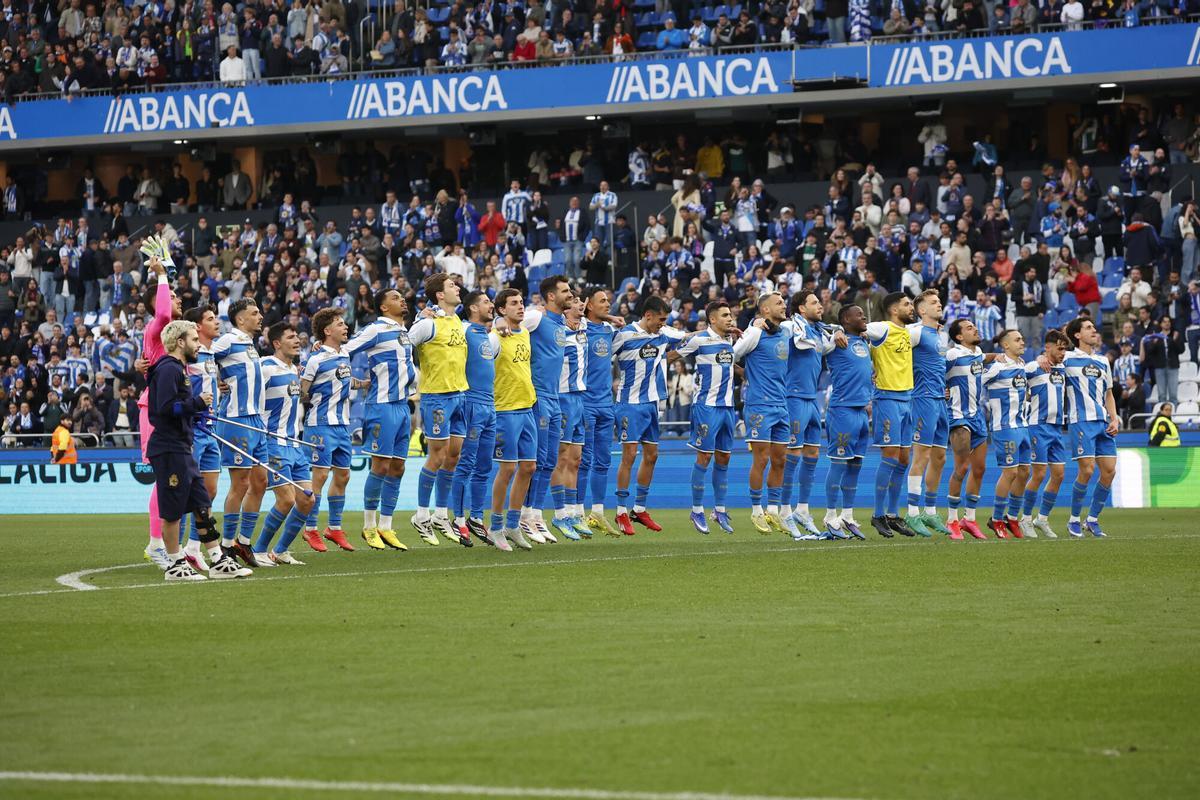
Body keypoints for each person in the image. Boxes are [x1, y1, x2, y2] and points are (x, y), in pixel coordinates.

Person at [145, 319, 249, 581]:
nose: (197, 344)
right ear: (180, 342)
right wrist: (197, 403)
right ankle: (175, 564)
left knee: (201, 504)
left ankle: (216, 559)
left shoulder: (180, 369)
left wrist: (194, 411)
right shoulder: (169, 369)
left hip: (182, 446)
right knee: (172, 510)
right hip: (168, 447)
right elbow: (166, 407)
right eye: (193, 339)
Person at [346, 289, 417, 551]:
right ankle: (368, 526)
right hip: (382, 406)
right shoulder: (375, 329)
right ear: (384, 307)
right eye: (396, 297)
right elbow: (346, 348)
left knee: (398, 467)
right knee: (380, 466)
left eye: (402, 296)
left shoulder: (404, 331)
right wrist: (325, 347)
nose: (402, 300)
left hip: (401, 406)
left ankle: (386, 526)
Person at [611, 296, 688, 535]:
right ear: (648, 315)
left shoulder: (663, 334)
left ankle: (640, 508)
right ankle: (621, 512)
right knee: (629, 456)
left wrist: (715, 331)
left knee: (652, 455)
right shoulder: (624, 335)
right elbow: (600, 357)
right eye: (660, 320)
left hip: (652, 404)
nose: (662, 324)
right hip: (628, 405)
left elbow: (688, 337)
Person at [408, 273, 470, 547]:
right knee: (436, 455)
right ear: (439, 295)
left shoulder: (456, 320)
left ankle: (441, 514)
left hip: (459, 394)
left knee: (453, 456)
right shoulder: (427, 322)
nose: (457, 288)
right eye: (451, 285)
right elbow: (404, 342)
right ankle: (421, 514)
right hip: (436, 397)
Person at [252, 321, 315, 565]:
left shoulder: (295, 369)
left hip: (294, 444)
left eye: (298, 337)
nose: (297, 340)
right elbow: (243, 383)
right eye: (291, 337)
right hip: (272, 443)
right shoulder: (265, 366)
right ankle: (257, 550)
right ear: (277, 343)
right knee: (286, 499)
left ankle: (280, 551)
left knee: (307, 499)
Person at [212, 297, 269, 565]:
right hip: (236, 420)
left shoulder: (249, 344)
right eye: (254, 313)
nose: (260, 316)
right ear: (240, 319)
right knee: (240, 483)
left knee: (260, 483)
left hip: (257, 421)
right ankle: (224, 547)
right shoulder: (227, 340)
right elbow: (201, 357)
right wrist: (215, 380)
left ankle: (243, 543)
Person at [136, 255, 183, 570]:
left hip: (169, 407)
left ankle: (177, 545)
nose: (176, 299)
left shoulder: (168, 336)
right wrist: (162, 274)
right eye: (171, 294)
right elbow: (165, 310)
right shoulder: (158, 325)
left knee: (177, 478)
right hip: (155, 409)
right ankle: (156, 545)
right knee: (165, 477)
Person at [676, 301, 738, 535]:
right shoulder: (699, 339)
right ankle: (697, 510)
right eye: (725, 315)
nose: (730, 318)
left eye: (730, 314)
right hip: (706, 407)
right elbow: (672, 354)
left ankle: (719, 510)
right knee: (705, 457)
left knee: (724, 458)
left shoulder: (729, 340)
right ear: (712, 319)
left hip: (727, 406)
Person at [733, 291, 791, 534]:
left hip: (782, 404)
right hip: (759, 406)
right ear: (765, 310)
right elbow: (732, 354)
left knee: (781, 460)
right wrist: (745, 374)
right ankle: (756, 510)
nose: (783, 304)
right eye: (778, 303)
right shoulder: (755, 333)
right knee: (762, 458)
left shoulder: (787, 330)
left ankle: (773, 511)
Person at [862, 292, 919, 539]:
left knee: (904, 459)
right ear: (894, 310)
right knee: (890, 457)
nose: (911, 308)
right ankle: (877, 514)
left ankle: (894, 514)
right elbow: (857, 326)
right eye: (907, 304)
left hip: (908, 399)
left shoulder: (908, 332)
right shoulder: (881, 328)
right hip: (887, 399)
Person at [779, 291, 833, 539]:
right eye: (814, 302)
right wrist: (758, 322)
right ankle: (784, 510)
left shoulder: (818, 331)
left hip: (812, 399)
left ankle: (802, 509)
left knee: (812, 453)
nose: (820, 305)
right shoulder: (791, 326)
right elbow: (775, 327)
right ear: (801, 308)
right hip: (793, 398)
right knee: (792, 455)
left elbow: (830, 343)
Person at [488, 288, 537, 551]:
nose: (520, 307)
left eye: (521, 302)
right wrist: (496, 324)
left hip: (527, 408)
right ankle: (495, 526)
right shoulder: (495, 338)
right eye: (514, 304)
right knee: (507, 469)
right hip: (505, 410)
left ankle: (513, 524)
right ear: (501, 310)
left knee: (528, 467)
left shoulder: (526, 332)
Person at [450, 291, 500, 543]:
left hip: (490, 406)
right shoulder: (462, 329)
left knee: (485, 466)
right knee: (466, 463)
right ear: (471, 308)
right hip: (471, 403)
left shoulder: (488, 336)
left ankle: (476, 518)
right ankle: (458, 519)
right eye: (486, 302)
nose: (491, 305)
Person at [821, 304, 874, 540]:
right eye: (858, 314)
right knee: (839, 464)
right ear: (845, 319)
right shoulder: (834, 341)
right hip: (842, 411)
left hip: (862, 412)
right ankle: (830, 515)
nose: (863, 316)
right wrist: (834, 331)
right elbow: (815, 328)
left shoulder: (864, 341)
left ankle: (847, 515)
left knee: (855, 464)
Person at [1063, 317, 1119, 538]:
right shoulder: (1066, 358)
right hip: (1081, 421)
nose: (1094, 331)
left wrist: (1114, 418)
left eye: (1094, 328)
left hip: (1103, 422)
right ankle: (1074, 519)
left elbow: (1109, 394)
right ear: (1077, 335)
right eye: (1088, 328)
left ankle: (1092, 519)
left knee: (1109, 471)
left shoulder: (1103, 361)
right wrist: (1041, 358)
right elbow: (1045, 358)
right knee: (1086, 470)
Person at [905, 289, 953, 537]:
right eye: (933, 302)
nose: (939, 305)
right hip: (922, 399)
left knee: (940, 458)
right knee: (921, 456)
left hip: (939, 400)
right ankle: (912, 513)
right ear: (921, 310)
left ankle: (930, 511)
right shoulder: (914, 331)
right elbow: (893, 352)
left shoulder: (941, 335)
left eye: (940, 301)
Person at [181, 306, 223, 573]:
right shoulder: (187, 356)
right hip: (194, 429)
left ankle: (193, 548)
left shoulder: (213, 353)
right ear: (196, 327)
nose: (216, 322)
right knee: (185, 492)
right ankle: (168, 550)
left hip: (211, 429)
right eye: (210, 319)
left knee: (210, 491)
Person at [1020, 329, 1071, 538]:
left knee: (1058, 474)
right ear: (1047, 347)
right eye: (1059, 348)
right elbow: (1016, 375)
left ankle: (1041, 519)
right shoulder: (1034, 367)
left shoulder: (1063, 369)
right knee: (1039, 473)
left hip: (1057, 428)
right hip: (1037, 426)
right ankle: (1024, 519)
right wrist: (1039, 357)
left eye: (1065, 349)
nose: (1063, 353)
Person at [548, 295, 592, 541]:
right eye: (574, 301)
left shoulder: (583, 327)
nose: (580, 304)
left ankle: (575, 513)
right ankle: (560, 513)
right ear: (566, 308)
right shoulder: (556, 330)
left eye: (581, 301)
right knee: (561, 457)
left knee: (576, 459)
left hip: (579, 398)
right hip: (562, 397)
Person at [580, 288, 621, 537]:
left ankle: (597, 512)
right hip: (585, 403)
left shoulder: (609, 331)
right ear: (588, 305)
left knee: (603, 462)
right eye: (602, 301)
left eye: (608, 300)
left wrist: (612, 320)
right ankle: (575, 514)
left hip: (607, 404)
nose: (608, 304)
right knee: (583, 461)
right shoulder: (579, 330)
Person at [982, 329, 1031, 539]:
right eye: (1017, 339)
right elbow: (974, 382)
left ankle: (1012, 517)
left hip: (1022, 426)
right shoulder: (996, 368)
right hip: (1004, 427)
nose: (1022, 342)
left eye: (1022, 338)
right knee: (1009, 473)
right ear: (1006, 345)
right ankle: (996, 518)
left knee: (1024, 473)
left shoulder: (1021, 365)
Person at [945, 319, 989, 540]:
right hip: (958, 416)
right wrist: (942, 389)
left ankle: (969, 519)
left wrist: (999, 357)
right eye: (969, 328)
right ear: (959, 336)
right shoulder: (952, 355)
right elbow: (933, 371)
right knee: (961, 468)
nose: (975, 329)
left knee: (979, 469)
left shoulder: (978, 353)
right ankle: (952, 520)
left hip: (977, 417)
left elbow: (983, 359)